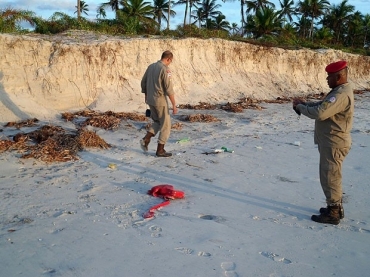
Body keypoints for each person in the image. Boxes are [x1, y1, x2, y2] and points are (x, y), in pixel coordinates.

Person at [293, 60, 354, 225]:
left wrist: (301, 108)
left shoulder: (340, 94)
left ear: (339, 76)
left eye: (329, 76)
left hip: (334, 143)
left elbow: (320, 113)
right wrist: (304, 104)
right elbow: (322, 105)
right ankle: (334, 207)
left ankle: (333, 212)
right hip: (331, 142)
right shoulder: (339, 91)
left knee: (330, 177)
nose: (327, 79)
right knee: (330, 175)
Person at [140, 50, 178, 157]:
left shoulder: (151, 66)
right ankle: (160, 149)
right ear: (168, 59)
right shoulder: (165, 70)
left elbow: (143, 82)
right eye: (170, 61)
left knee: (157, 121)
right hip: (160, 100)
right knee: (166, 125)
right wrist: (174, 104)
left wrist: (146, 95)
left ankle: (146, 139)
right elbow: (169, 89)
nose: (170, 63)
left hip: (150, 100)